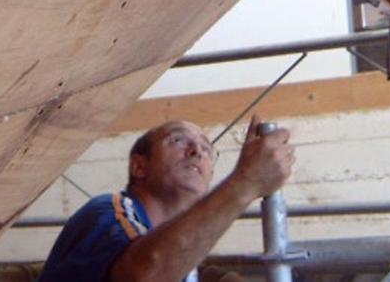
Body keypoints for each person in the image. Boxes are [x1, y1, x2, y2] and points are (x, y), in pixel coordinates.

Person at [38, 114, 295, 282]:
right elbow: (144, 275)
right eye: (177, 140)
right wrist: (246, 182)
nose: (196, 151)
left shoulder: (180, 257)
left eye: (207, 149)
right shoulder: (107, 211)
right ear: (140, 167)